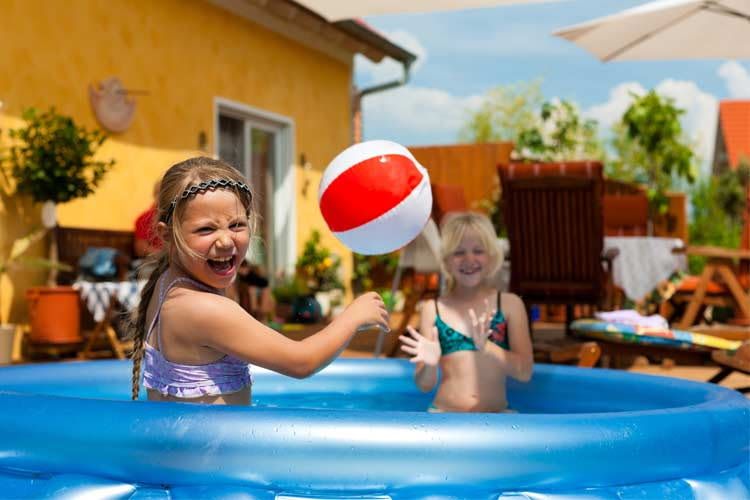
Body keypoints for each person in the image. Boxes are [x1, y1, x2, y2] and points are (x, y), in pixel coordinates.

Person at [128, 157, 389, 405]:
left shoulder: (166, 285)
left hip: (188, 450)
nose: (226, 240)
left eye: (237, 225)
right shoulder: (204, 308)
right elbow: (302, 362)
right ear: (167, 235)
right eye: (206, 229)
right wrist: (353, 317)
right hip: (213, 452)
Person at [399, 212, 533, 413]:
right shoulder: (433, 309)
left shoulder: (509, 305)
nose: (469, 259)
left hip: (497, 419)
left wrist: (487, 347)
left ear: (491, 256)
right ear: (446, 260)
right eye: (458, 252)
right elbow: (424, 385)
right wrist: (429, 364)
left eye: (478, 250)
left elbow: (524, 373)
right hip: (444, 417)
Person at [133, 179, 163, 258]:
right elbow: (140, 249)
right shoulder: (145, 218)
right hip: (153, 261)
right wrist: (163, 255)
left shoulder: (181, 217)